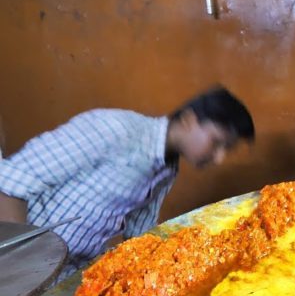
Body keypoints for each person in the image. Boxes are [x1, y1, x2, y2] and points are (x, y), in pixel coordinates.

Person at [0, 86, 254, 281]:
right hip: (19, 269)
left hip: (66, 273)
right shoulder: (114, 129)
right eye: (217, 142)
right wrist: (25, 273)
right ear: (188, 120)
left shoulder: (167, 169)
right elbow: (10, 185)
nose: (219, 157)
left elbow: (139, 238)